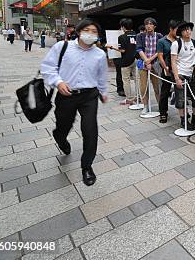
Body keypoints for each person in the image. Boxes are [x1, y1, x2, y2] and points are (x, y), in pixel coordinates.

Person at [40, 19, 108, 186]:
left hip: (89, 96)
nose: (90, 34)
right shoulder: (62, 47)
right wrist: (58, 82)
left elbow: (101, 76)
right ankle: (60, 137)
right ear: (78, 31)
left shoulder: (100, 54)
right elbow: (48, 67)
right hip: (66, 94)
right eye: (87, 30)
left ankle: (87, 166)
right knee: (64, 125)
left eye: (94, 31)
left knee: (90, 130)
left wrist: (103, 92)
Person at [171, 21, 195, 129]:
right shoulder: (176, 44)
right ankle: (183, 120)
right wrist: (176, 77)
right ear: (181, 32)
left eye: (189, 29)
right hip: (181, 74)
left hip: (193, 74)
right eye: (185, 30)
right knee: (181, 98)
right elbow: (173, 62)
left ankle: (194, 117)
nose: (188, 31)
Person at [107, 18, 137, 105]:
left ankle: (129, 99)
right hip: (136, 59)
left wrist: (111, 47)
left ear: (123, 27)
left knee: (126, 80)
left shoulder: (121, 37)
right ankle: (139, 97)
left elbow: (122, 50)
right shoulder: (136, 35)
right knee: (137, 79)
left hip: (126, 61)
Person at [136, 17, 162, 111]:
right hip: (143, 64)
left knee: (157, 87)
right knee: (143, 87)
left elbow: (159, 50)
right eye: (147, 24)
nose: (149, 26)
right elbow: (139, 49)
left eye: (151, 24)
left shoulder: (159, 36)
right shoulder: (140, 36)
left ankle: (160, 106)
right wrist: (146, 61)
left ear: (154, 26)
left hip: (155, 64)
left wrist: (150, 60)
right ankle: (145, 106)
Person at [157, 20, 180, 123]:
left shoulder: (179, 40)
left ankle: (182, 112)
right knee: (165, 91)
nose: (178, 32)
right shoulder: (162, 41)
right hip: (167, 69)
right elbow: (160, 56)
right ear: (171, 29)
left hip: (179, 69)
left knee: (180, 91)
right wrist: (165, 67)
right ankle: (163, 113)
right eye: (176, 30)